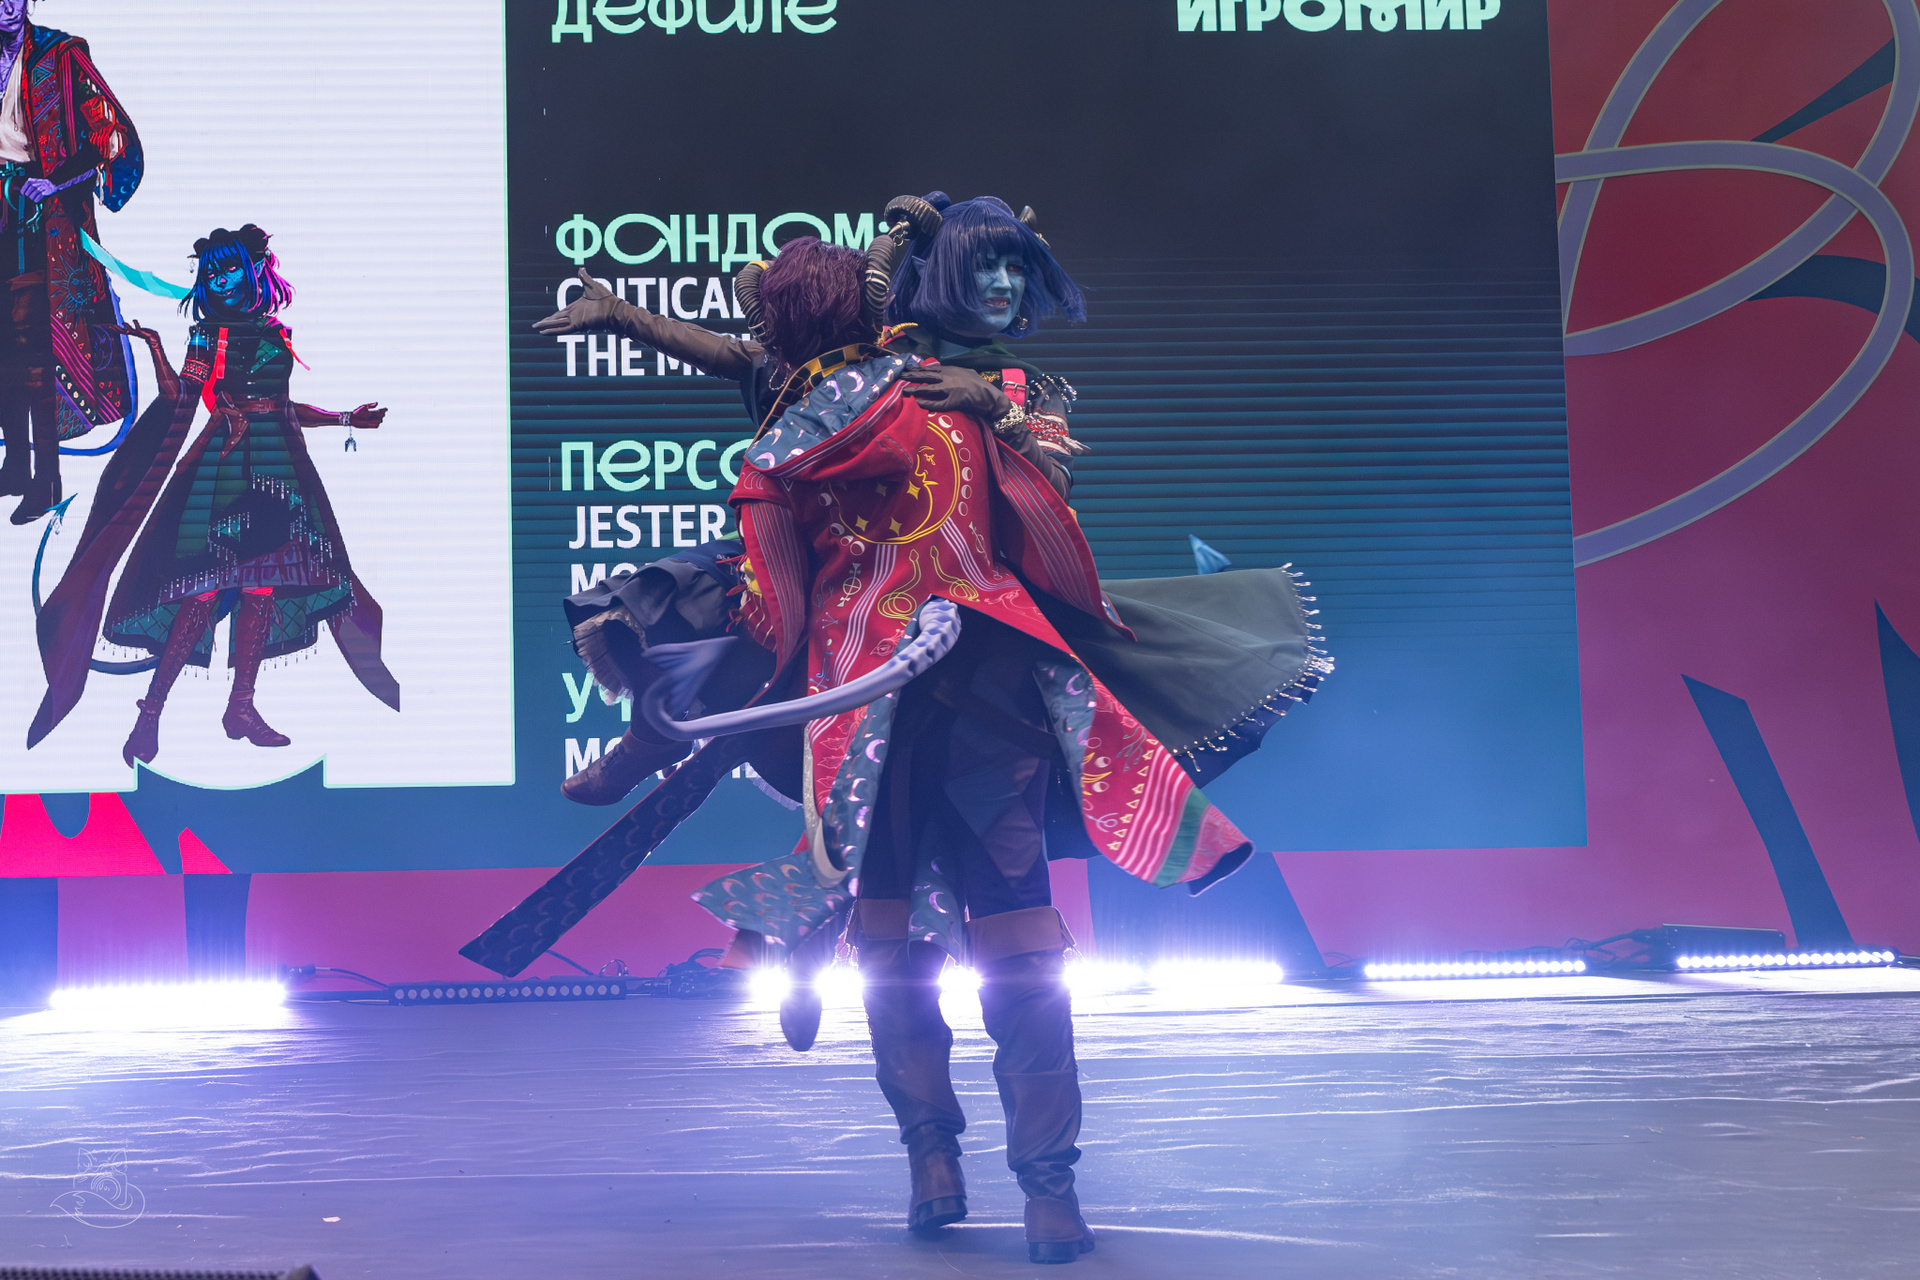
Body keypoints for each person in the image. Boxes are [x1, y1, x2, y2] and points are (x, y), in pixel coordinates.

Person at [522, 200, 1328, 1264]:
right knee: (976, 937)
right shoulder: (899, 398)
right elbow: (1025, 516)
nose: (1000, 286)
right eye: (984, 266)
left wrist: (987, 411)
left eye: (1011, 268)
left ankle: (979, 1169)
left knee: (937, 939)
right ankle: (999, 1176)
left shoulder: (852, 425)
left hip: (915, 709)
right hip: (932, 707)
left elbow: (797, 605)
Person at [29, 225, 396, 762]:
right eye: (211, 272)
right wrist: (158, 351)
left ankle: (240, 708)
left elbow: (285, 408)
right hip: (225, 470)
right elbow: (182, 396)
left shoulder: (274, 332)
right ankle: (149, 716)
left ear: (251, 272)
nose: (220, 280)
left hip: (278, 469)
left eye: (229, 269)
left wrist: (345, 418)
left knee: (261, 589)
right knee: (201, 594)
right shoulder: (208, 335)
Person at [0, 0, 142, 524]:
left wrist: (54, 180)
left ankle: (48, 478)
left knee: (36, 345)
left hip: (43, 217)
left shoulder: (61, 54)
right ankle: (16, 466)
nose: (8, 4)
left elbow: (110, 134)